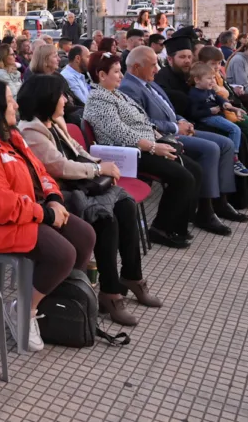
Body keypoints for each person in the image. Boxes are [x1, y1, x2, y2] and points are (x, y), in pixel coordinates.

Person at [0, 79, 96, 349]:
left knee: (84, 235)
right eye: (10, 100)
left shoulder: (12, 136)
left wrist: (53, 198)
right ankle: (24, 308)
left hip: (26, 214)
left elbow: (40, 172)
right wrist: (44, 213)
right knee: (62, 254)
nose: (16, 105)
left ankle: (55, 302)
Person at [17, 75, 161, 326]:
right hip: (59, 195)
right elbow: (59, 167)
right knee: (105, 218)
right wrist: (98, 171)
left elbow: (78, 150)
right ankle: (110, 292)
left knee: (125, 205)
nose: (66, 100)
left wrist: (99, 166)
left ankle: (132, 276)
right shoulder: (30, 130)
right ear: (47, 99)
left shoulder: (53, 122)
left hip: (78, 185)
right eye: (61, 95)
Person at [121, 45, 245, 235]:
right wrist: (176, 127)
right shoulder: (130, 87)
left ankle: (221, 201)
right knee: (211, 149)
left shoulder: (148, 81)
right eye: (153, 65)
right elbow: (144, 122)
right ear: (137, 67)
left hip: (177, 127)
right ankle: (205, 210)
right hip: (164, 136)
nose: (157, 69)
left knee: (227, 144)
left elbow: (167, 109)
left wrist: (182, 120)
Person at [82, 53, 200, 249]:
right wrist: (154, 147)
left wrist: (160, 137)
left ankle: (177, 226)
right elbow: (121, 133)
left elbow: (141, 120)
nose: (121, 76)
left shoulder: (115, 93)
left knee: (194, 169)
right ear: (102, 75)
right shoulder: (98, 100)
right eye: (117, 72)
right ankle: (160, 229)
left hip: (143, 146)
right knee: (183, 177)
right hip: (125, 154)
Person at [188, 63, 248, 177]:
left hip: (216, 116)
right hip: (207, 118)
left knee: (237, 127)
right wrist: (210, 111)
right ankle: (233, 158)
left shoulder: (209, 90)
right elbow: (193, 113)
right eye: (209, 78)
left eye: (213, 78)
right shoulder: (194, 94)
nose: (212, 81)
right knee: (235, 129)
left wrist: (226, 104)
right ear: (197, 80)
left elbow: (218, 98)